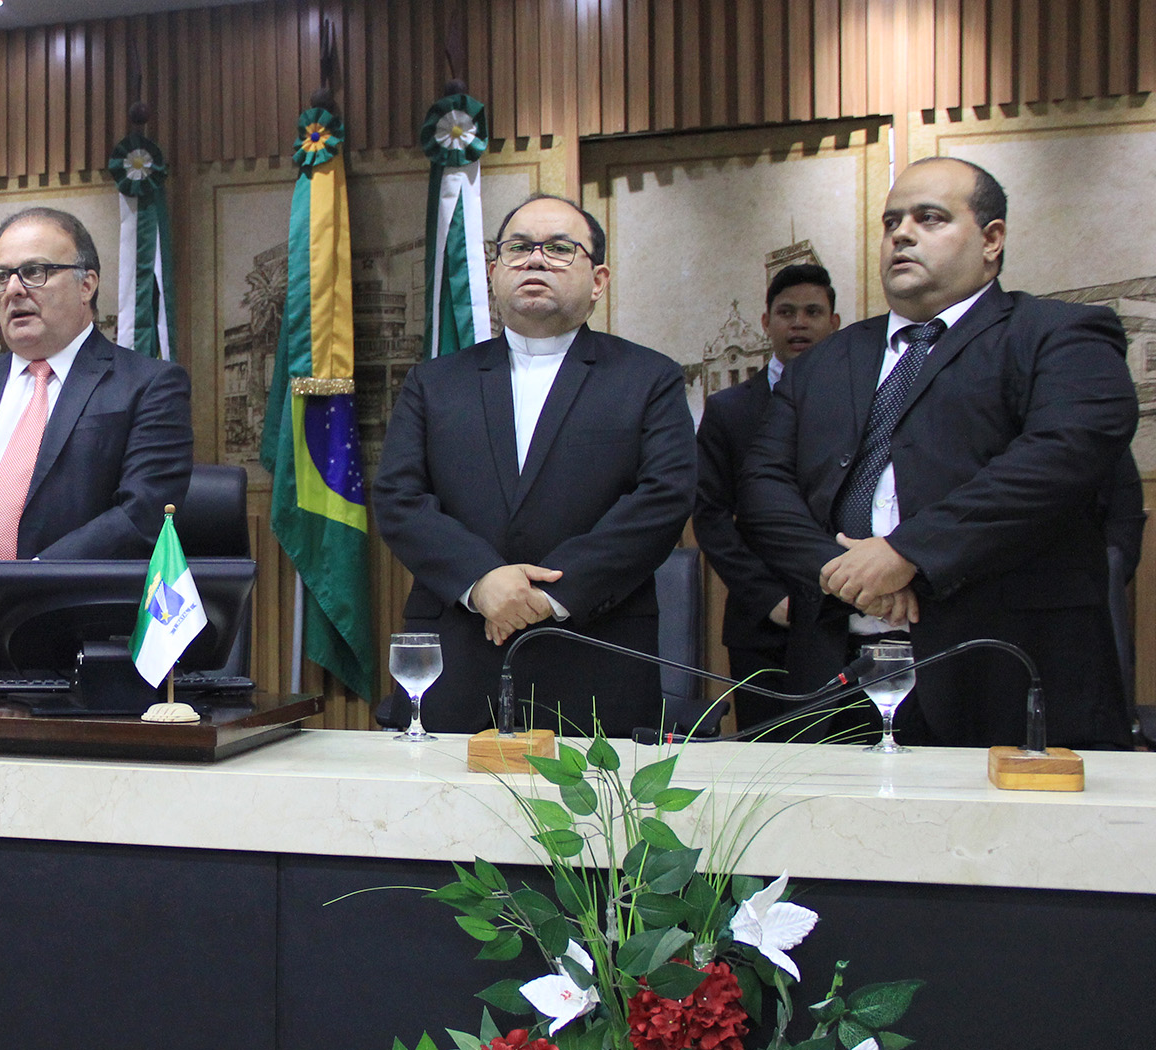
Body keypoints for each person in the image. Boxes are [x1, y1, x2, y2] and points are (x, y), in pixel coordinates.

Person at [741, 156, 1138, 749]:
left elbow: (1061, 457)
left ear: (991, 239)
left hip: (1005, 673)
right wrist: (844, 572)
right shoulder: (824, 361)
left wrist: (907, 553)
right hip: (834, 679)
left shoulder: (1061, 334)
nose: (901, 235)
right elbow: (762, 484)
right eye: (891, 222)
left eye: (929, 218)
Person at [375, 194, 697, 737]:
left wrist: (549, 596)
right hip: (458, 658)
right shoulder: (434, 383)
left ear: (598, 280)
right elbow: (399, 499)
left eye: (559, 248)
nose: (535, 259)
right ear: (494, 271)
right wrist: (480, 580)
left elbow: (663, 499)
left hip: (595, 655)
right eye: (519, 247)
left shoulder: (648, 378)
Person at [0, 207, 194, 679]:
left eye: (35, 271)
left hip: (78, 645)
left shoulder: (148, 384)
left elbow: (141, 513)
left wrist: (17, 587)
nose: (14, 290)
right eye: (2, 276)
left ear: (86, 284)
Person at [693, 263, 842, 734]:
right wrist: (768, 597)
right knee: (767, 756)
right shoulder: (729, 409)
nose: (799, 323)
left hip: (846, 616)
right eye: (786, 312)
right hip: (763, 623)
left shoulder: (860, 402)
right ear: (766, 322)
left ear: (834, 323)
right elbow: (711, 516)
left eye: (813, 312)